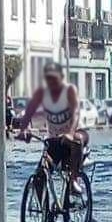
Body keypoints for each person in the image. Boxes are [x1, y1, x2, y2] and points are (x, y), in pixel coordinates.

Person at [19, 62, 88, 191]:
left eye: (55, 79)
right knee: (39, 177)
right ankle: (43, 209)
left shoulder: (69, 90)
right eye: (49, 79)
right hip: (55, 140)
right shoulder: (42, 93)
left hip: (76, 132)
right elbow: (29, 111)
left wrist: (70, 133)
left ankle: (73, 181)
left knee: (77, 139)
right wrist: (24, 130)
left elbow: (75, 113)